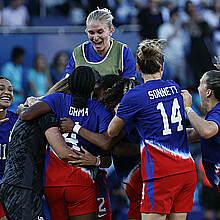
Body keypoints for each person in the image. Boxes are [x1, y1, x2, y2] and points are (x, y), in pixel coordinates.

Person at [107, 39, 197, 220]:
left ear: (138, 68)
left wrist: (120, 112)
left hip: (161, 173)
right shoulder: (174, 87)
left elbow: (112, 132)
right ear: (162, 66)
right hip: (187, 169)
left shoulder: (135, 95)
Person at [18, 66, 116, 220]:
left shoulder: (56, 99)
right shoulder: (99, 109)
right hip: (80, 181)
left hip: (52, 184)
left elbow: (26, 115)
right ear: (93, 87)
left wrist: (23, 107)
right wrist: (78, 129)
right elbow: (106, 144)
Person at [65, 7, 137, 79]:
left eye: (100, 32)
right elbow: (66, 83)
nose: (95, 37)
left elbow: (130, 85)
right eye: (91, 32)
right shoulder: (78, 52)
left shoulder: (123, 52)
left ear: (110, 31)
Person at [181, 68, 220, 192]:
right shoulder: (213, 114)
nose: (198, 89)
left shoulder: (217, 112)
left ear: (208, 92)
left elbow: (205, 131)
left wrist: (188, 108)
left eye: (200, 84)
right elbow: (194, 133)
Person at [0, 76, 18, 220]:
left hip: (13, 188)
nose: (7, 92)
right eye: (1, 89)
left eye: (10, 90)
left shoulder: (18, 121)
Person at [1, 47, 25, 112]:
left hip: (19, 100)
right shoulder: (7, 67)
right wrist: (17, 91)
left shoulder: (19, 67)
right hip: (10, 101)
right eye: (22, 56)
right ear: (18, 57)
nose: (23, 59)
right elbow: (4, 84)